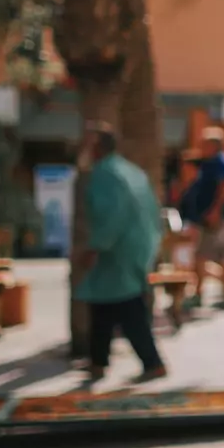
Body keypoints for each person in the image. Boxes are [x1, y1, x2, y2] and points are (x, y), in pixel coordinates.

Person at [75, 121, 165, 383]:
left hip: (118, 250)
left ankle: (152, 362)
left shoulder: (106, 173)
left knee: (126, 307)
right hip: (135, 246)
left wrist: (96, 246)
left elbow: (111, 215)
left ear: (96, 147)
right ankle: (98, 361)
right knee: (103, 304)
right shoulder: (129, 171)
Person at [184, 127, 224, 309]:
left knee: (201, 256)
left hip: (218, 219)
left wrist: (215, 211)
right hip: (214, 217)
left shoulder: (221, 162)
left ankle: (199, 294)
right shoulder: (210, 162)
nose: (201, 146)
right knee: (221, 257)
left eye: (205, 143)